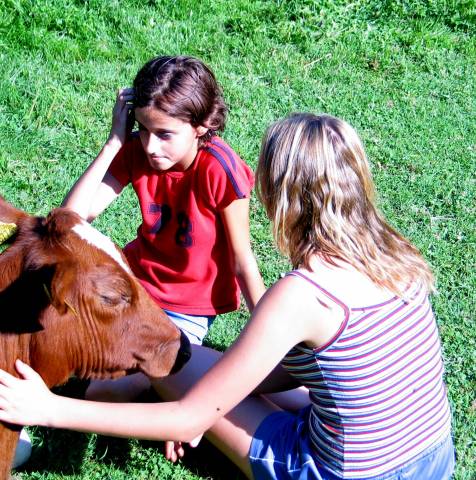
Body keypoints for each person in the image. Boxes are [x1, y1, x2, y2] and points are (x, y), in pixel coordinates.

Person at [0, 113, 455, 480]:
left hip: (337, 472)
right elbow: (304, 371)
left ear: (278, 194)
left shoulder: (304, 293)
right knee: (189, 362)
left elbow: (186, 420)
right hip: (433, 459)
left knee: (175, 366)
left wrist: (49, 409)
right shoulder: (398, 256)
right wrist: (214, 397)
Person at [60, 55, 265, 403]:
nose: (151, 146)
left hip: (186, 308)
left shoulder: (219, 169)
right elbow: (71, 219)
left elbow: (242, 261)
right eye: (143, 129)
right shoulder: (136, 151)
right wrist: (114, 143)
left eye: (165, 134)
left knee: (105, 390)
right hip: (133, 283)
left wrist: (270, 341)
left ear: (201, 125)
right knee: (54, 324)